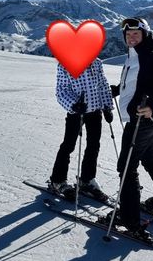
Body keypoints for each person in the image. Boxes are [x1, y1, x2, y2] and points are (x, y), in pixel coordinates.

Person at [110, 17, 153, 240]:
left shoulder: (149, 56)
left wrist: (152, 104)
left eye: (136, 35)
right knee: (151, 160)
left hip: (142, 119)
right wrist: (114, 90)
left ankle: (129, 219)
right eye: (128, 35)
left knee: (126, 167)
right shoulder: (134, 56)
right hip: (143, 120)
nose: (131, 38)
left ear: (145, 35)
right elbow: (133, 85)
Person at [47, 58, 114, 201]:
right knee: (69, 145)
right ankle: (57, 180)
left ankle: (87, 180)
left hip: (95, 110)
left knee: (93, 145)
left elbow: (102, 85)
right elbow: (62, 91)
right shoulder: (65, 64)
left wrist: (107, 106)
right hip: (77, 112)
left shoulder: (96, 62)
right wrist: (74, 105)